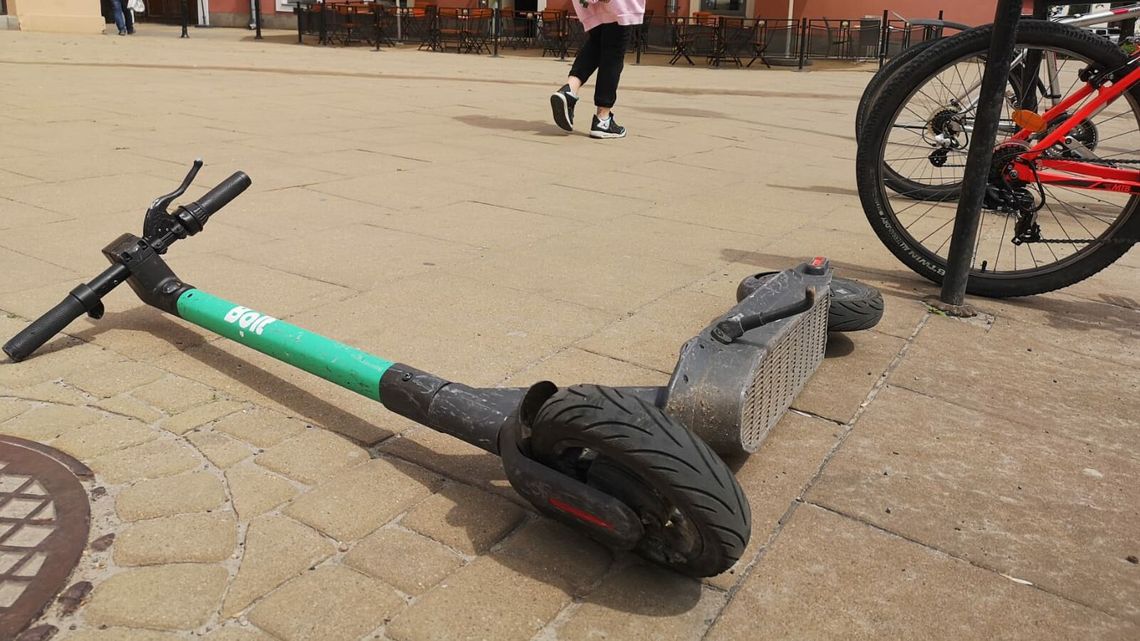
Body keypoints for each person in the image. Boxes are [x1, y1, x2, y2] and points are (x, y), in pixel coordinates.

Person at [549, 0, 645, 139]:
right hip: (617, 5)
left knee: (596, 45)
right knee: (613, 54)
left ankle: (569, 90)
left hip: (592, 7)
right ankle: (603, 119)